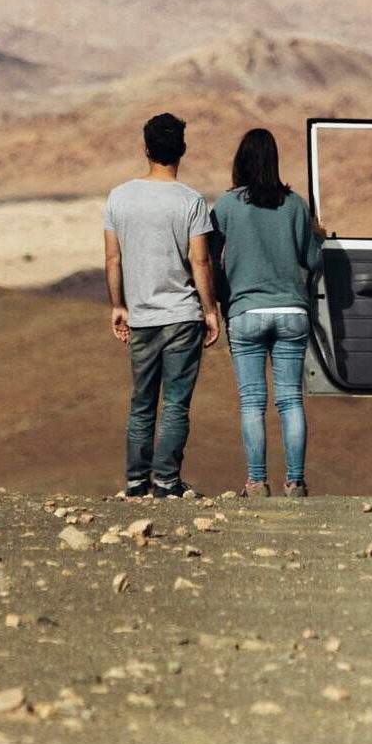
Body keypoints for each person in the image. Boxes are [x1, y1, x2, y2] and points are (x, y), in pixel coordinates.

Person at [103, 111, 221, 499]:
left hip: (141, 316)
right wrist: (210, 309)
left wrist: (118, 305)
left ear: (146, 148)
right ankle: (167, 481)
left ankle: (137, 481)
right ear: (182, 150)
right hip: (183, 316)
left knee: (141, 400)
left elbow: (113, 259)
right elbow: (200, 261)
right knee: (175, 403)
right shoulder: (191, 201)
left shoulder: (119, 198)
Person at [208, 128, 323, 498]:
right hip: (292, 311)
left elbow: (208, 258)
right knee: (290, 398)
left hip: (245, 312)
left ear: (240, 161)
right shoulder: (295, 205)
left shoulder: (225, 206)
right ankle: (295, 481)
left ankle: (256, 481)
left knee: (252, 402)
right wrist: (317, 235)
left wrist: (222, 299)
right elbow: (312, 260)